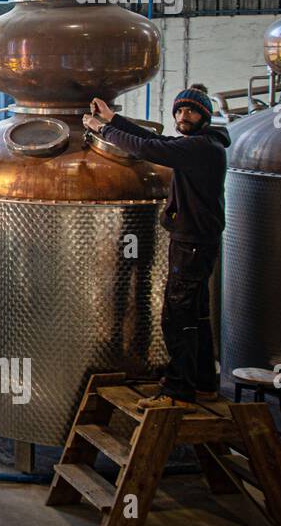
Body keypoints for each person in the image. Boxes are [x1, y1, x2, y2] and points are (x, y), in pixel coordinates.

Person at [83, 85, 230, 409]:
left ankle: (177, 393)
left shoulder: (202, 149)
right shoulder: (200, 145)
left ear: (204, 115)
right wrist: (114, 119)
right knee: (197, 316)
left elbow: (146, 149)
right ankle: (204, 383)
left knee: (176, 317)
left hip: (191, 244)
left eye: (190, 111)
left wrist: (102, 128)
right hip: (197, 242)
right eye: (178, 111)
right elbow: (158, 144)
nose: (182, 116)